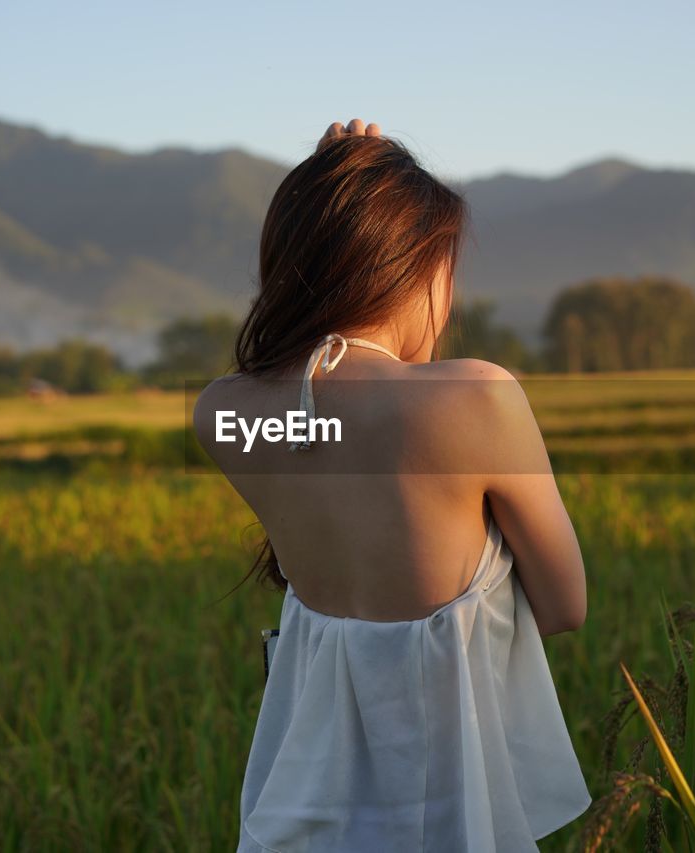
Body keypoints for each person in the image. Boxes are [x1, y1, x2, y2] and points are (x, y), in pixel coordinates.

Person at [194, 118, 591, 852]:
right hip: (446, 807)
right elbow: (566, 605)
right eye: (445, 272)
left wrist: (330, 195)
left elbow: (305, 416)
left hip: (306, 804)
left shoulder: (223, 412)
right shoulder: (475, 399)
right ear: (406, 267)